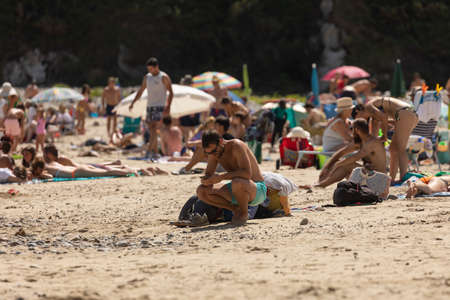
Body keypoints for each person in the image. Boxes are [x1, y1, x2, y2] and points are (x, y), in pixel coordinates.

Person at [196, 130, 266, 225]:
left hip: (257, 190)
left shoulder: (236, 146)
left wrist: (221, 177)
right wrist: (206, 180)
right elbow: (208, 174)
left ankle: (244, 213)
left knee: (237, 182)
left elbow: (246, 174)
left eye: (213, 151)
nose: (212, 154)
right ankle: (235, 209)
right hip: (237, 189)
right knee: (201, 191)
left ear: (221, 141)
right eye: (209, 153)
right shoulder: (214, 152)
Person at [352, 96, 418, 182]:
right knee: (393, 149)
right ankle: (391, 179)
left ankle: (403, 178)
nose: (362, 120)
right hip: (407, 114)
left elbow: (384, 117)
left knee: (401, 148)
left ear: (358, 111)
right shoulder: (373, 116)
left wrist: (384, 136)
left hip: (405, 113)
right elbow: (374, 136)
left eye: (359, 117)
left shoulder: (368, 106)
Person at [306, 118, 386, 188]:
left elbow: (355, 157)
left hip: (379, 178)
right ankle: (321, 183)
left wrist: (337, 165)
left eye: (351, 129)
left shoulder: (372, 142)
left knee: (347, 165)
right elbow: (340, 153)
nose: (350, 132)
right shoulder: (361, 142)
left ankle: (321, 185)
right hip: (371, 175)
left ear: (357, 130)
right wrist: (326, 168)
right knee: (343, 163)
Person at [129, 57, 174, 159]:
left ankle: (149, 151)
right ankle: (154, 152)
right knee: (151, 130)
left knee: (154, 129)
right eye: (148, 69)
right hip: (150, 106)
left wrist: (168, 106)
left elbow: (171, 92)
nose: (149, 71)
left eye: (151, 69)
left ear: (156, 67)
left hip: (160, 106)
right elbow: (140, 91)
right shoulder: (147, 77)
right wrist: (133, 102)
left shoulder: (164, 77)